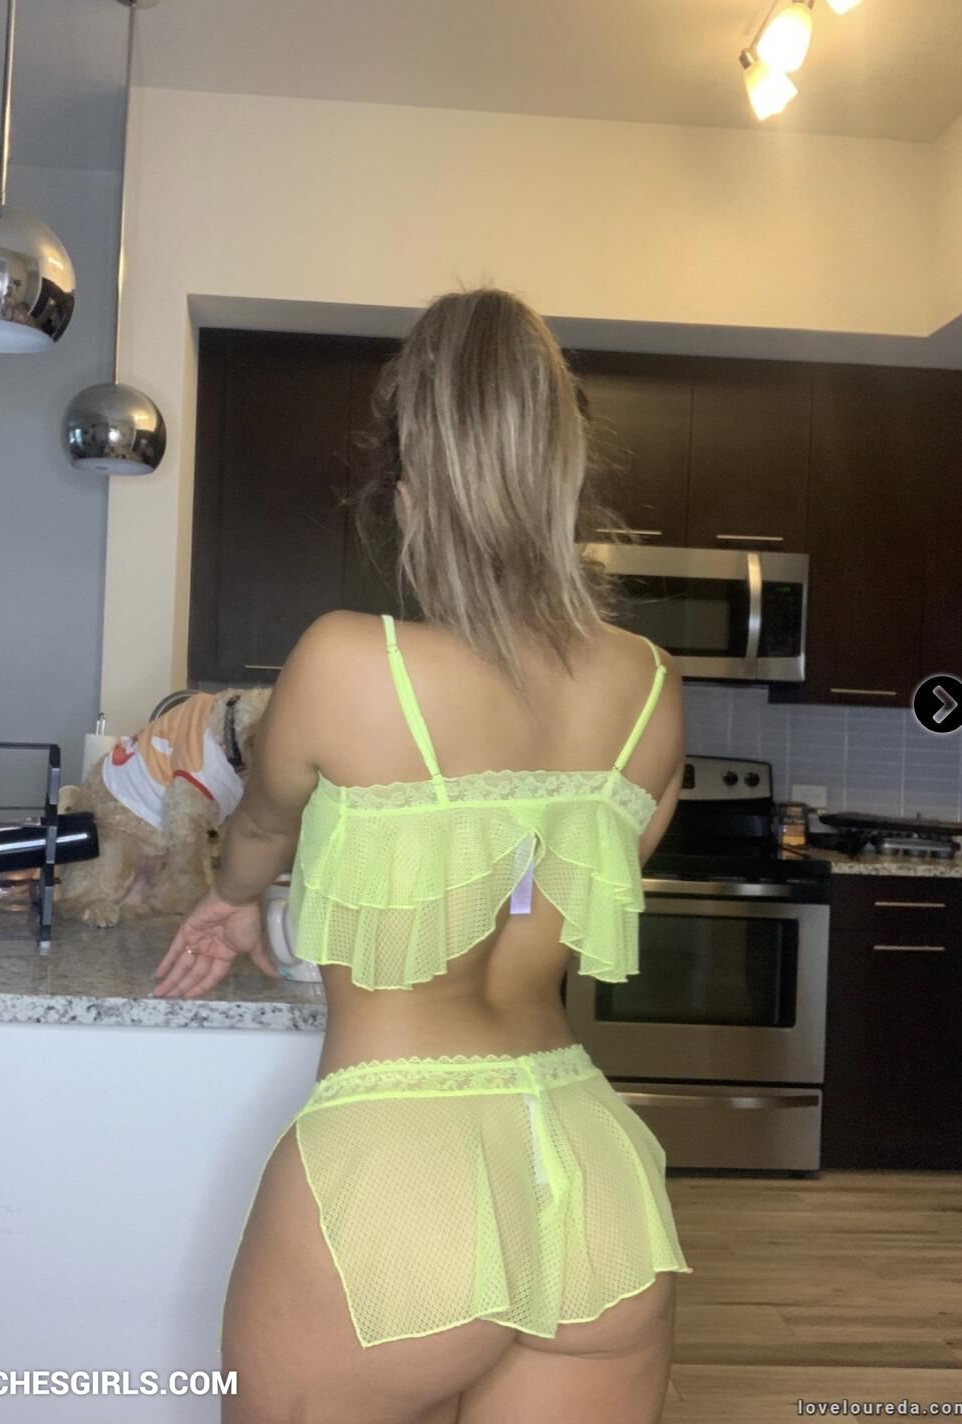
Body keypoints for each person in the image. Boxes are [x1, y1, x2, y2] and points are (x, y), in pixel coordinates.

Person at [153, 287, 691, 1424]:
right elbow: (570, 865)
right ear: (563, 478)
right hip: (586, 1168)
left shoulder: (348, 661)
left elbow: (260, 826)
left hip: (397, 1172)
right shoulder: (646, 683)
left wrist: (232, 901)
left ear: (406, 492)